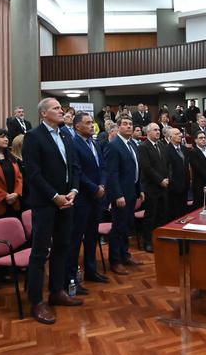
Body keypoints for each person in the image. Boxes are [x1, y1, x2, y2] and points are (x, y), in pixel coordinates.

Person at [23, 98, 82, 323]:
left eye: (61, 108)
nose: (61, 111)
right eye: (56, 108)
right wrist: (54, 196)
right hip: (46, 203)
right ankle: (37, 301)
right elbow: (33, 174)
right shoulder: (34, 137)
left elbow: (74, 166)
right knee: (40, 252)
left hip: (67, 200)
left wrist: (74, 190)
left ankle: (57, 291)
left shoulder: (66, 134)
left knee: (62, 247)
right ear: (44, 114)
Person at [67, 111, 109, 290]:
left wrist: (103, 185)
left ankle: (91, 270)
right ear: (77, 126)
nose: (92, 125)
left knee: (92, 236)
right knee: (76, 240)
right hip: (83, 198)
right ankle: (72, 278)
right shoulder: (73, 144)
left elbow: (103, 167)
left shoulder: (95, 142)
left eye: (92, 122)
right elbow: (77, 172)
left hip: (97, 197)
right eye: (88, 123)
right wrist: (94, 188)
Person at [105, 114, 143, 275]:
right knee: (118, 227)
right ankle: (115, 261)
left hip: (132, 192)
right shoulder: (114, 145)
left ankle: (125, 255)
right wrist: (117, 194)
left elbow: (135, 169)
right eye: (125, 124)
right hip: (120, 194)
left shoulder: (132, 144)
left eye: (131, 124)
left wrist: (139, 189)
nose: (129, 126)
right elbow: (111, 173)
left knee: (127, 226)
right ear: (118, 127)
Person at [137, 122, 170, 253]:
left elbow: (167, 164)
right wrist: (160, 180)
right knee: (150, 216)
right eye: (155, 130)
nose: (158, 132)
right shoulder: (143, 147)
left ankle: (159, 238)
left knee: (162, 215)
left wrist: (167, 179)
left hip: (163, 186)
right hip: (151, 187)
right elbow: (146, 168)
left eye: (159, 130)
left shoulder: (162, 145)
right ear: (148, 132)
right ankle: (148, 242)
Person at [164, 126, 190, 220]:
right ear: (170, 137)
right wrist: (172, 182)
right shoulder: (166, 150)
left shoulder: (184, 149)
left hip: (185, 186)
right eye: (177, 134)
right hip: (173, 187)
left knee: (184, 213)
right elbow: (167, 169)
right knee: (174, 214)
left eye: (180, 133)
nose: (180, 135)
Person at [187, 130, 206, 209]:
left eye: (204, 138)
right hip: (200, 184)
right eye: (200, 138)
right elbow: (198, 167)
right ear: (195, 140)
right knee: (200, 207)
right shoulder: (193, 152)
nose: (203, 139)